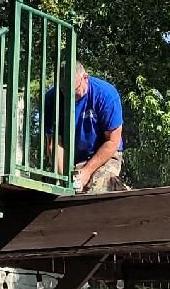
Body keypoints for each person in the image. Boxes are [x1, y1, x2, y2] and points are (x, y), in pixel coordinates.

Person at [45, 61, 125, 194]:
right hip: (70, 160)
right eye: (65, 91)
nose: (70, 97)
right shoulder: (51, 98)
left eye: (74, 90)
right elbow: (54, 145)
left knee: (97, 190)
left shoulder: (106, 94)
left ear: (85, 78)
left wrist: (86, 172)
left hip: (105, 154)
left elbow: (112, 142)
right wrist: (67, 179)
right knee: (54, 192)